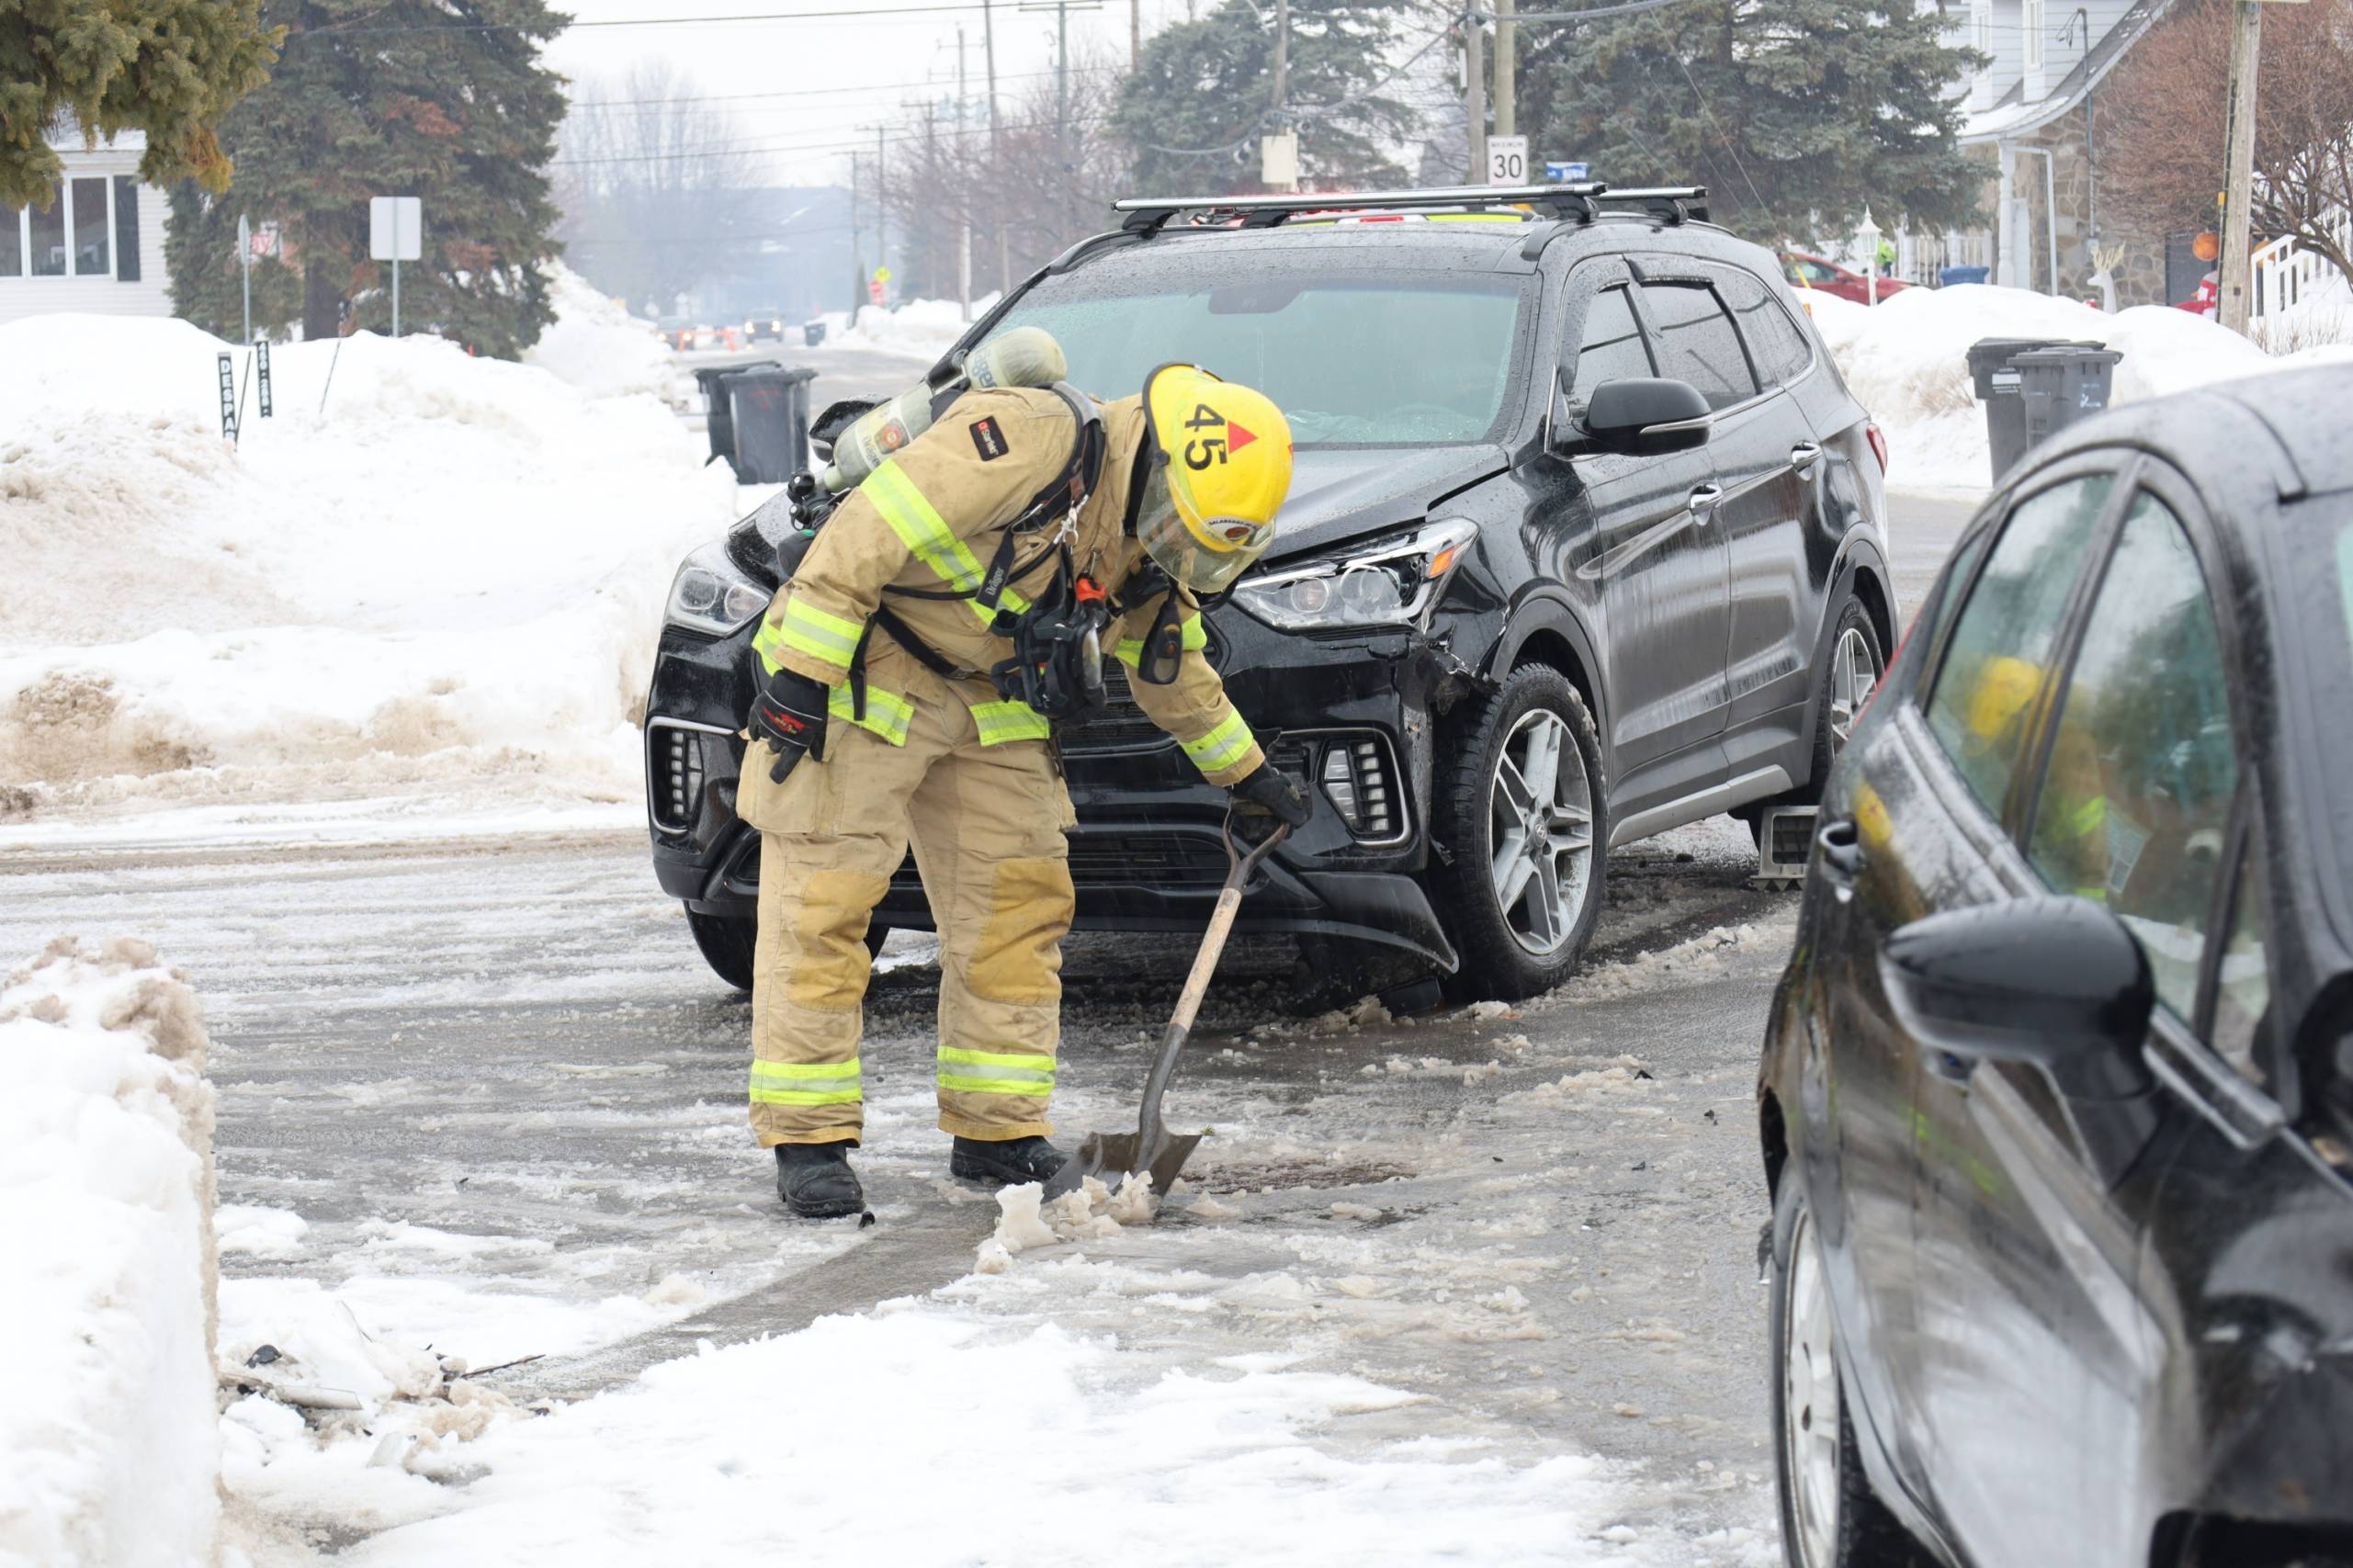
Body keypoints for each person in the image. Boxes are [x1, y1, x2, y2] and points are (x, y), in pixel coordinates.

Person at [740, 359, 1313, 1218]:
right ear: (1155, 461)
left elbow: (1171, 666)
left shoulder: (1148, 525)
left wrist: (1248, 774)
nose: (1173, 550)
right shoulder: (1029, 439)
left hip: (991, 696)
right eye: (1178, 531)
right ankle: (809, 1138)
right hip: (867, 670)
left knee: (1018, 903)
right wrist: (799, 677)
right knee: (823, 904)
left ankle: (997, 1129)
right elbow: (861, 539)